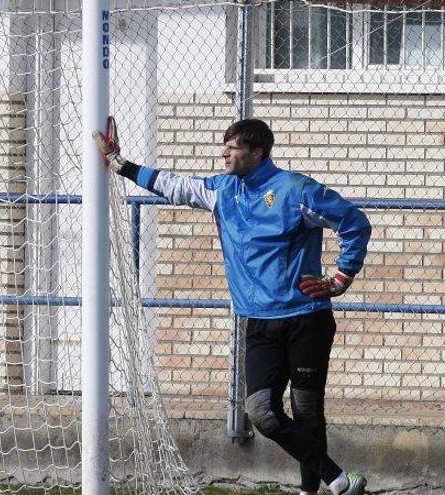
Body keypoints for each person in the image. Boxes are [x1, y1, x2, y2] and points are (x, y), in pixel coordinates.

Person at [93, 118, 371, 495]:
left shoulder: (295, 189)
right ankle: (339, 479)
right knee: (262, 413)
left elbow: (354, 223)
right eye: (224, 146)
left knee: (308, 413)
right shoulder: (222, 191)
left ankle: (314, 490)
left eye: (233, 147)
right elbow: (172, 185)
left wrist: (341, 277)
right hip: (257, 323)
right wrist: (121, 164)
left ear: (258, 152)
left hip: (306, 319)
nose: (225, 153)